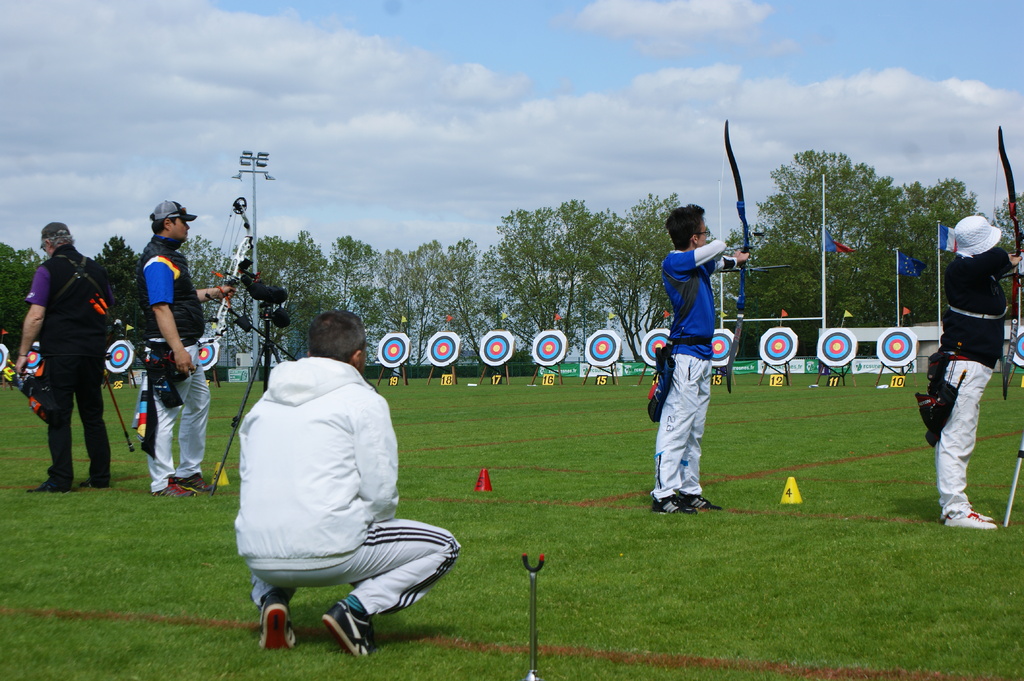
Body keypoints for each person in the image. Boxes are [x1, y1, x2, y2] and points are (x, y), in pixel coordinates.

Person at [235, 310, 460, 654]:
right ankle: (356, 610)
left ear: (309, 354)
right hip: (331, 552)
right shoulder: (364, 401)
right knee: (445, 546)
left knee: (272, 518)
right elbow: (380, 494)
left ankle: (272, 598)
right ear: (357, 357)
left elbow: (249, 477)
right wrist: (362, 529)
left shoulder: (263, 405)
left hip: (259, 555)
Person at [651, 204, 748, 514]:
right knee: (676, 427)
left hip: (703, 356)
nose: (708, 237)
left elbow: (720, 262)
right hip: (686, 358)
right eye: (704, 232)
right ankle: (663, 495)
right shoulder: (675, 262)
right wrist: (725, 247)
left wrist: (738, 259)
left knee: (694, 430)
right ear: (694, 238)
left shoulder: (696, 266)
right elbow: (717, 249)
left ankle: (689, 490)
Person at [136, 201, 233, 497]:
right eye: (183, 221)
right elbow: (161, 307)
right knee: (164, 414)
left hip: (187, 345)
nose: (188, 226)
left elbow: (183, 297)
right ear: (168, 223)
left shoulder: (170, 258)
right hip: (170, 349)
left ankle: (188, 472)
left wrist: (215, 292)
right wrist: (177, 350)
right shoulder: (158, 260)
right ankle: (162, 482)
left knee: (199, 404)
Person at [934, 215, 1021, 529]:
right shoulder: (961, 269)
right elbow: (995, 257)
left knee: (961, 433)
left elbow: (995, 263)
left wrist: (1012, 262)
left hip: (972, 364)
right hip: (964, 364)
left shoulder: (977, 271)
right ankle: (955, 511)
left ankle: (955, 507)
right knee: (957, 436)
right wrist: (1008, 257)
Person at [17, 222, 114, 492]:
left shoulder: (47, 270)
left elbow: (36, 315)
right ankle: (100, 477)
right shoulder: (97, 269)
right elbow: (107, 306)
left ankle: (60, 479)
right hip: (92, 352)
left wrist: (23, 353)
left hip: (61, 352)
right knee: (93, 416)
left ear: (48, 244)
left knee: (58, 416)